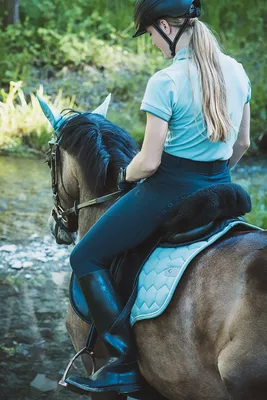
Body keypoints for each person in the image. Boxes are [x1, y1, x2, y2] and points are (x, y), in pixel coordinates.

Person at [66, 0, 251, 395]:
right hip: (222, 186)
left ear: (166, 27)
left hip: (170, 188)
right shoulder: (236, 71)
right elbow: (243, 143)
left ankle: (120, 363)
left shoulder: (166, 81)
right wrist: (215, 172)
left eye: (150, 33)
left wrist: (120, 174)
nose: (151, 42)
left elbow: (148, 163)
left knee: (84, 256)